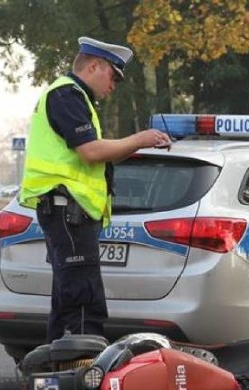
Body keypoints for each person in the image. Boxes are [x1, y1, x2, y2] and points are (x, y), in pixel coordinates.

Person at [19, 36, 172, 344]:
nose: (113, 85)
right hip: (67, 210)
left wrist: (133, 145)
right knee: (84, 300)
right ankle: (84, 375)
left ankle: (53, 374)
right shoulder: (67, 95)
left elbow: (100, 154)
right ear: (93, 66)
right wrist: (140, 139)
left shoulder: (74, 98)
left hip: (70, 211)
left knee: (67, 298)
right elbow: (90, 151)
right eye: (113, 76)